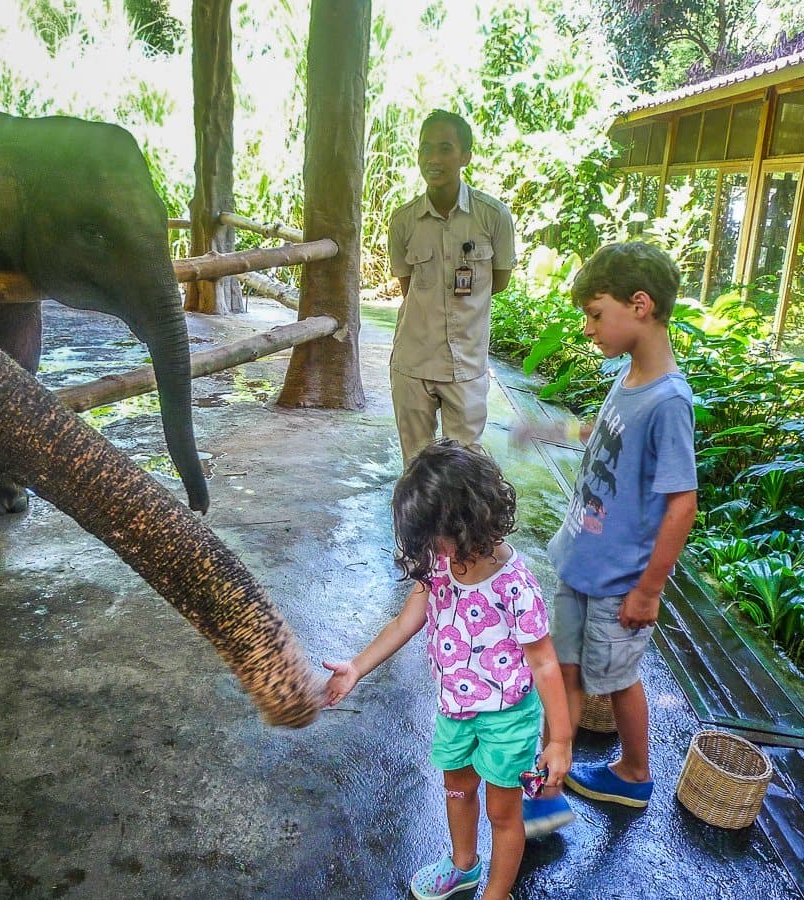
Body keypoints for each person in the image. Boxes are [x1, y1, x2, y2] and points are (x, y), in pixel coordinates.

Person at [323, 440, 572, 900]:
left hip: (506, 719)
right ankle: (464, 865)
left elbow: (544, 661)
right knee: (456, 789)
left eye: (432, 534)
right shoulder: (440, 563)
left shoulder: (515, 586)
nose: (427, 547)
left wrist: (558, 740)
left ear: (467, 521)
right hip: (454, 708)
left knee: (503, 812)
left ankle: (498, 892)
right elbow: (406, 621)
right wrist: (356, 667)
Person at [519, 241, 698, 822]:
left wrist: (649, 589)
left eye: (597, 314)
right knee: (563, 667)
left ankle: (634, 774)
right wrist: (554, 429)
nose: (590, 329)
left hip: (621, 578)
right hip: (580, 559)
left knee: (618, 678)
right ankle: (549, 781)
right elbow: (603, 432)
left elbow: (682, 503)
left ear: (639, 305)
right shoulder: (628, 376)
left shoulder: (669, 401)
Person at [388, 109, 516, 465]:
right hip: (414, 363)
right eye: (425, 148)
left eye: (445, 148)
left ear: (465, 156)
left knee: (464, 471)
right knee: (416, 469)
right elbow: (408, 286)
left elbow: (498, 281)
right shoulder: (403, 221)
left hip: (466, 367)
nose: (433, 158)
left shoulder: (493, 217)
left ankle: (458, 524)